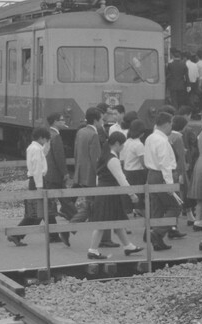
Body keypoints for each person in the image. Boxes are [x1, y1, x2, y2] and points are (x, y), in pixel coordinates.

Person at [63, 108, 116, 248]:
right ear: (95, 120)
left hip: (82, 174)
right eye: (101, 119)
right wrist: (100, 175)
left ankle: (102, 237)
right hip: (93, 177)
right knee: (95, 206)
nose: (102, 122)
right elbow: (96, 159)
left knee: (92, 205)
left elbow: (76, 153)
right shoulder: (93, 135)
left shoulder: (81, 132)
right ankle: (70, 229)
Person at [87, 132, 143, 260]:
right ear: (117, 144)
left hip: (104, 190)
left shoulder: (104, 156)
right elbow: (121, 178)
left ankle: (128, 246)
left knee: (117, 220)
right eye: (122, 144)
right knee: (102, 222)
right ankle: (92, 249)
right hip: (110, 192)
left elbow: (98, 176)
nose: (123, 147)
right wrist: (132, 194)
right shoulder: (112, 159)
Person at [144, 112, 185, 251]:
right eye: (171, 124)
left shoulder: (150, 138)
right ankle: (158, 233)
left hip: (152, 174)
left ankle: (156, 239)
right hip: (162, 175)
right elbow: (165, 164)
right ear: (167, 124)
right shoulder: (162, 141)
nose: (171, 128)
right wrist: (170, 185)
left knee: (158, 207)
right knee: (175, 206)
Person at [9, 127, 52, 247]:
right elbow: (38, 168)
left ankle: (17, 235)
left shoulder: (33, 148)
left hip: (34, 180)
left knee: (37, 213)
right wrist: (40, 186)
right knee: (36, 213)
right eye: (45, 139)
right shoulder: (36, 149)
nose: (46, 141)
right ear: (41, 138)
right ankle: (16, 234)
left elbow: (40, 160)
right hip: (38, 181)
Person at [120, 119, 146, 217]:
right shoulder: (139, 144)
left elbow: (122, 160)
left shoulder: (126, 142)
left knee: (127, 201)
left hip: (127, 172)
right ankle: (148, 221)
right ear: (141, 133)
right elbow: (143, 163)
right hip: (137, 173)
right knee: (139, 199)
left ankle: (126, 225)